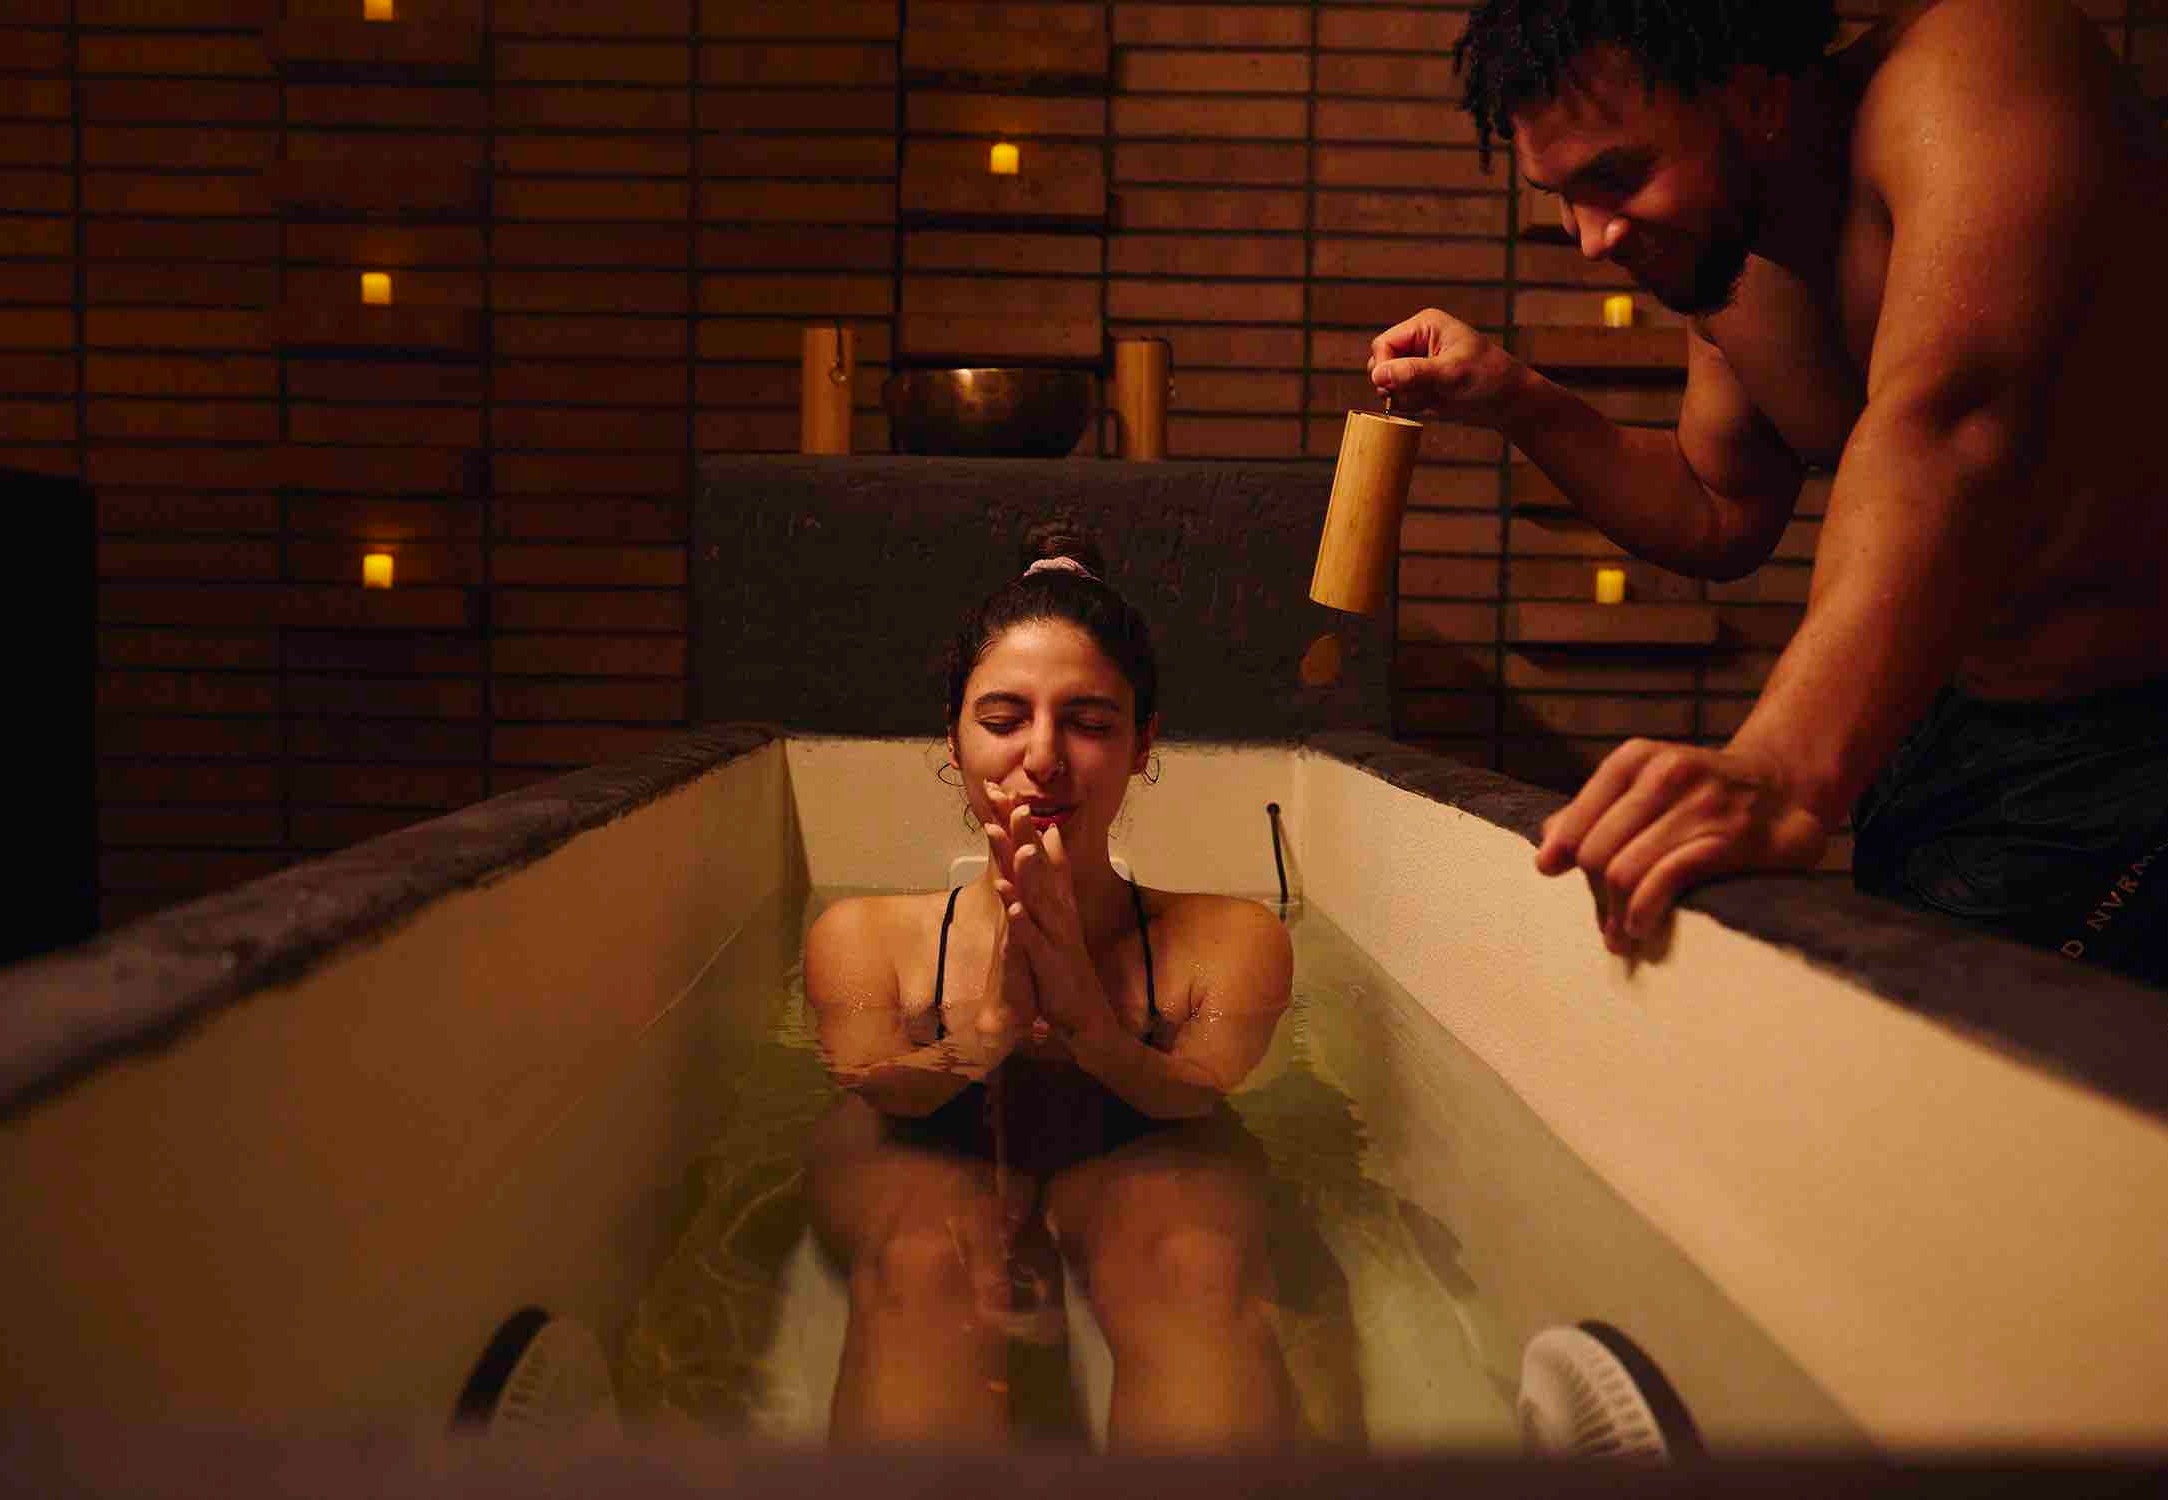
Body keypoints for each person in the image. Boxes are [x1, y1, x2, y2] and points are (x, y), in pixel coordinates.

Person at [1369, 0, 2168, 986]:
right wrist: (1518, 402)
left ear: (1751, 94)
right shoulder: (1736, 263)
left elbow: (1950, 423)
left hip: (2131, 732)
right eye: (1562, 195)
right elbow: (1714, 507)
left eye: (1617, 178)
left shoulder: (1972, 64)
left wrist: (1779, 769)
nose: (1589, 238)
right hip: (1944, 733)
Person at [801, 526, 1299, 1448]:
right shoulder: (863, 936)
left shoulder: (1229, 940)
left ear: (1144, 741)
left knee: (1192, 1265)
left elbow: (1200, 1094)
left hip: (1140, 1136)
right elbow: (871, 1083)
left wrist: (1088, 1023)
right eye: (1001, 720)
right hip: (926, 1138)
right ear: (951, 736)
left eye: (1090, 721)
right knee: (922, 1261)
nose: (1043, 757)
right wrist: (987, 1026)